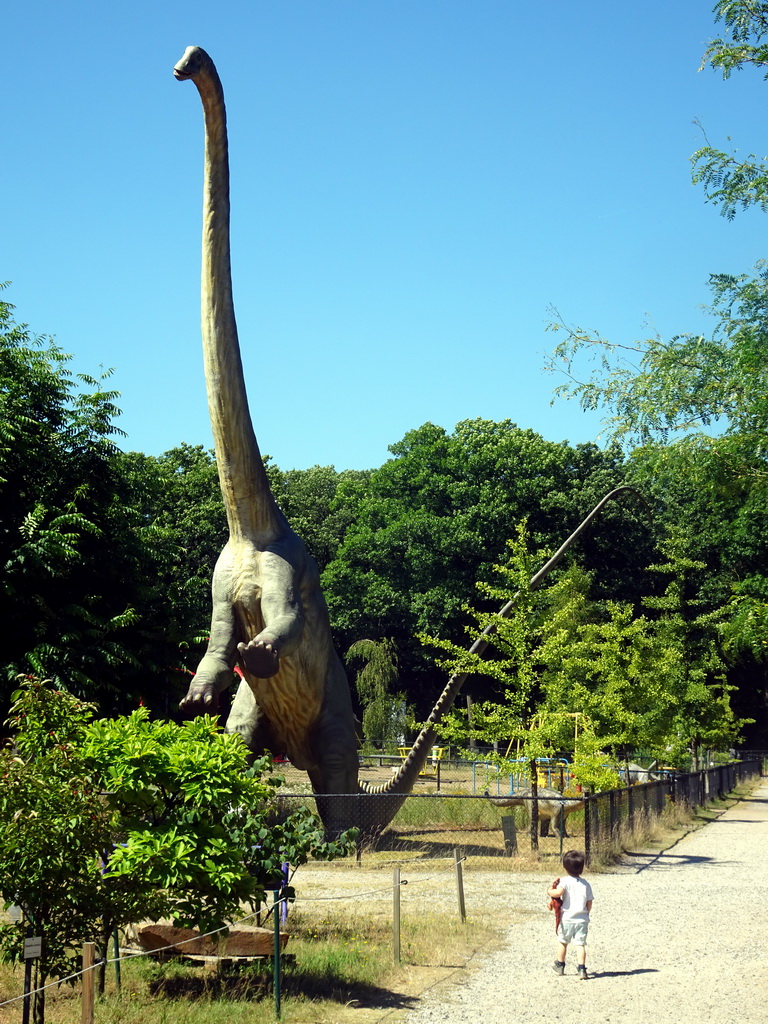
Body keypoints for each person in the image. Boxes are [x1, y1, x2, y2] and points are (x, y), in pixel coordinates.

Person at [547, 849, 594, 979]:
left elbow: (557, 894)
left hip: (567, 918)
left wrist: (549, 890)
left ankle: (560, 965)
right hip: (582, 919)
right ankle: (582, 968)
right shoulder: (586, 884)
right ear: (582, 867)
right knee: (580, 944)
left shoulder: (565, 881)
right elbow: (589, 903)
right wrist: (586, 913)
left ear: (565, 867)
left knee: (563, 942)